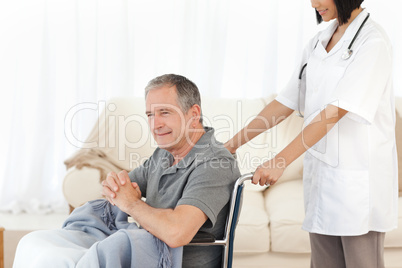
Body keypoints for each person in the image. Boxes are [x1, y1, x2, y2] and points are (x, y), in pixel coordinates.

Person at [224, 1, 397, 267]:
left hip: (358, 188)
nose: (314, 3)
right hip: (322, 183)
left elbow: (334, 112)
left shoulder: (372, 42)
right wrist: (230, 145)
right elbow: (285, 102)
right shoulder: (319, 41)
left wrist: (280, 160)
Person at [14, 74, 240, 268]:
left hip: (171, 261)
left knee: (65, 260)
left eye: (165, 112)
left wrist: (131, 203)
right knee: (35, 243)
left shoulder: (215, 163)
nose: (155, 124)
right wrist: (114, 186)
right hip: (142, 249)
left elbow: (176, 233)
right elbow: (125, 187)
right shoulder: (166, 153)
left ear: (193, 114)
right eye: (150, 114)